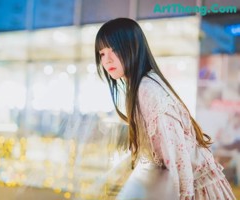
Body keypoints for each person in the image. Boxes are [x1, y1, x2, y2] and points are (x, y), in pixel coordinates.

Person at [95, 18, 236, 200]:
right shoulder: (146, 83)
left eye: (114, 49)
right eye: (102, 53)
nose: (107, 60)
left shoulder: (146, 89)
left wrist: (184, 195)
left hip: (198, 190)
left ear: (133, 47)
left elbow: (176, 155)